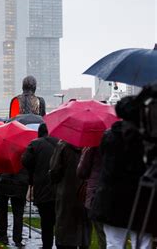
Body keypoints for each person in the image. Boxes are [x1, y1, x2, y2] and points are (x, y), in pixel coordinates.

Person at [91, 96, 156, 248]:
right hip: (141, 201)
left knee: (114, 243)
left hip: (112, 201)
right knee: (142, 244)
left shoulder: (109, 137)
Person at [21, 123, 59, 249]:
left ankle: (46, 245)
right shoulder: (61, 143)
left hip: (42, 188)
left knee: (46, 221)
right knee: (59, 220)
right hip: (58, 188)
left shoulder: (35, 144)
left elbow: (25, 161)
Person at [50, 141, 91, 249]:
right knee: (83, 228)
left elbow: (54, 171)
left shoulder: (62, 145)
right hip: (84, 193)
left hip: (66, 193)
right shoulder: (91, 146)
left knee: (65, 230)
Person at [77, 147, 106, 249]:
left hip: (96, 194)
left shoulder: (92, 149)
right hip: (113, 195)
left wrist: (83, 155)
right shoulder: (121, 146)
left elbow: (81, 172)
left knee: (101, 233)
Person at [0, 168, 29, 247]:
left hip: (4, 181)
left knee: (2, 210)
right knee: (18, 213)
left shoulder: (3, 155)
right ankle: (17, 239)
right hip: (20, 183)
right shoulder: (24, 156)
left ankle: (3, 235)